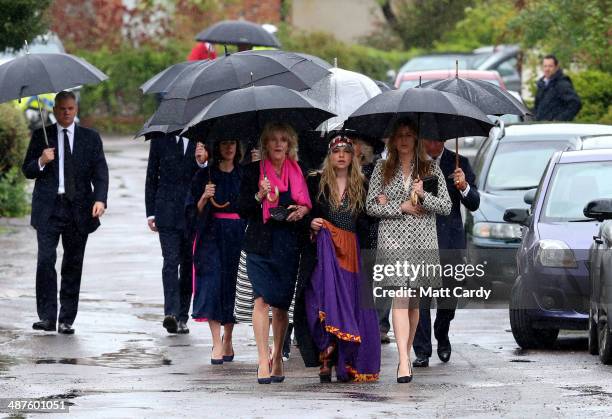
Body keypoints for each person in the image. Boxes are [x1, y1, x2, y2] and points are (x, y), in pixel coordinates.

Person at [366, 119, 451, 383]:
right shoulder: (382, 168)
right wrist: (398, 207)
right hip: (392, 241)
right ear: (392, 140)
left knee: (414, 303)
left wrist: (424, 195)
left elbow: (446, 206)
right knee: (400, 298)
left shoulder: (430, 168)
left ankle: (407, 352)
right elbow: (371, 206)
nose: (403, 140)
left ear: (416, 139)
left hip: (422, 242)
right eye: (399, 135)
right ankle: (404, 359)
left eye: (409, 135)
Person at [22, 90, 109, 334]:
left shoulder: (90, 138)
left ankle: (66, 319)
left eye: (70, 108)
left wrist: (100, 199)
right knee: (45, 260)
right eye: (62, 109)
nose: (66, 113)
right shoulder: (42, 135)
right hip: (49, 209)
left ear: (76, 109)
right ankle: (48, 316)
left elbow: (100, 172)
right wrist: (41, 160)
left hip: (78, 209)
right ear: (54, 110)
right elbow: (27, 170)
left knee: (73, 263)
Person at [237, 122, 311, 384]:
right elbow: (242, 209)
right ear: (265, 145)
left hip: (288, 244)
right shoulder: (251, 171)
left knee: (281, 305)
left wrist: (302, 212)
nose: (279, 144)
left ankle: (277, 356)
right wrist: (259, 195)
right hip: (260, 243)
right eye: (273, 140)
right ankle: (261, 360)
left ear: (290, 145)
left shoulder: (297, 172)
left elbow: (305, 207)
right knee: (261, 301)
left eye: (284, 140)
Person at [303, 135, 381, 382]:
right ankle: (325, 352)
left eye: (346, 151)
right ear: (330, 155)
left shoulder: (364, 184)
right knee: (318, 300)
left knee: (349, 304)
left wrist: (379, 207)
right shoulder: (315, 182)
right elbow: (304, 209)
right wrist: (310, 222)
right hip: (324, 252)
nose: (341, 155)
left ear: (353, 156)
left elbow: (369, 223)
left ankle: (342, 361)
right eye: (336, 151)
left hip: (351, 252)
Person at [412, 139, 480, 368]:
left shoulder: (459, 163)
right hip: (420, 240)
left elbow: (474, 203)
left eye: (435, 138)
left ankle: (442, 333)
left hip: (450, 241)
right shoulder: (413, 164)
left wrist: (464, 187)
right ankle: (421, 350)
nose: (430, 143)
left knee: (448, 298)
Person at [188, 139, 246, 364]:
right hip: (210, 234)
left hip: (237, 235)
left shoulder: (244, 175)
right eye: (225, 144)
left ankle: (228, 337)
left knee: (232, 285)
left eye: (233, 143)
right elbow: (191, 210)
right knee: (212, 283)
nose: (229, 147)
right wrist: (204, 196)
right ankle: (216, 342)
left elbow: (251, 206)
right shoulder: (204, 175)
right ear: (217, 147)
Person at [145, 134, 207, 334]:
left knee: (188, 265)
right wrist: (151, 212)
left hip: (192, 211)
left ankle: (182, 316)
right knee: (170, 262)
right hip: (167, 211)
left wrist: (202, 163)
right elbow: (152, 174)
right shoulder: (160, 139)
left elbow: (210, 177)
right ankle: (170, 313)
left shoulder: (201, 139)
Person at [534, 54, 581, 121]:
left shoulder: (562, 84)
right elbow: (537, 108)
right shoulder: (542, 84)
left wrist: (559, 120)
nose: (547, 69)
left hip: (556, 129)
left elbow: (575, 103)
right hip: (542, 127)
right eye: (545, 66)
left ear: (556, 67)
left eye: (550, 66)